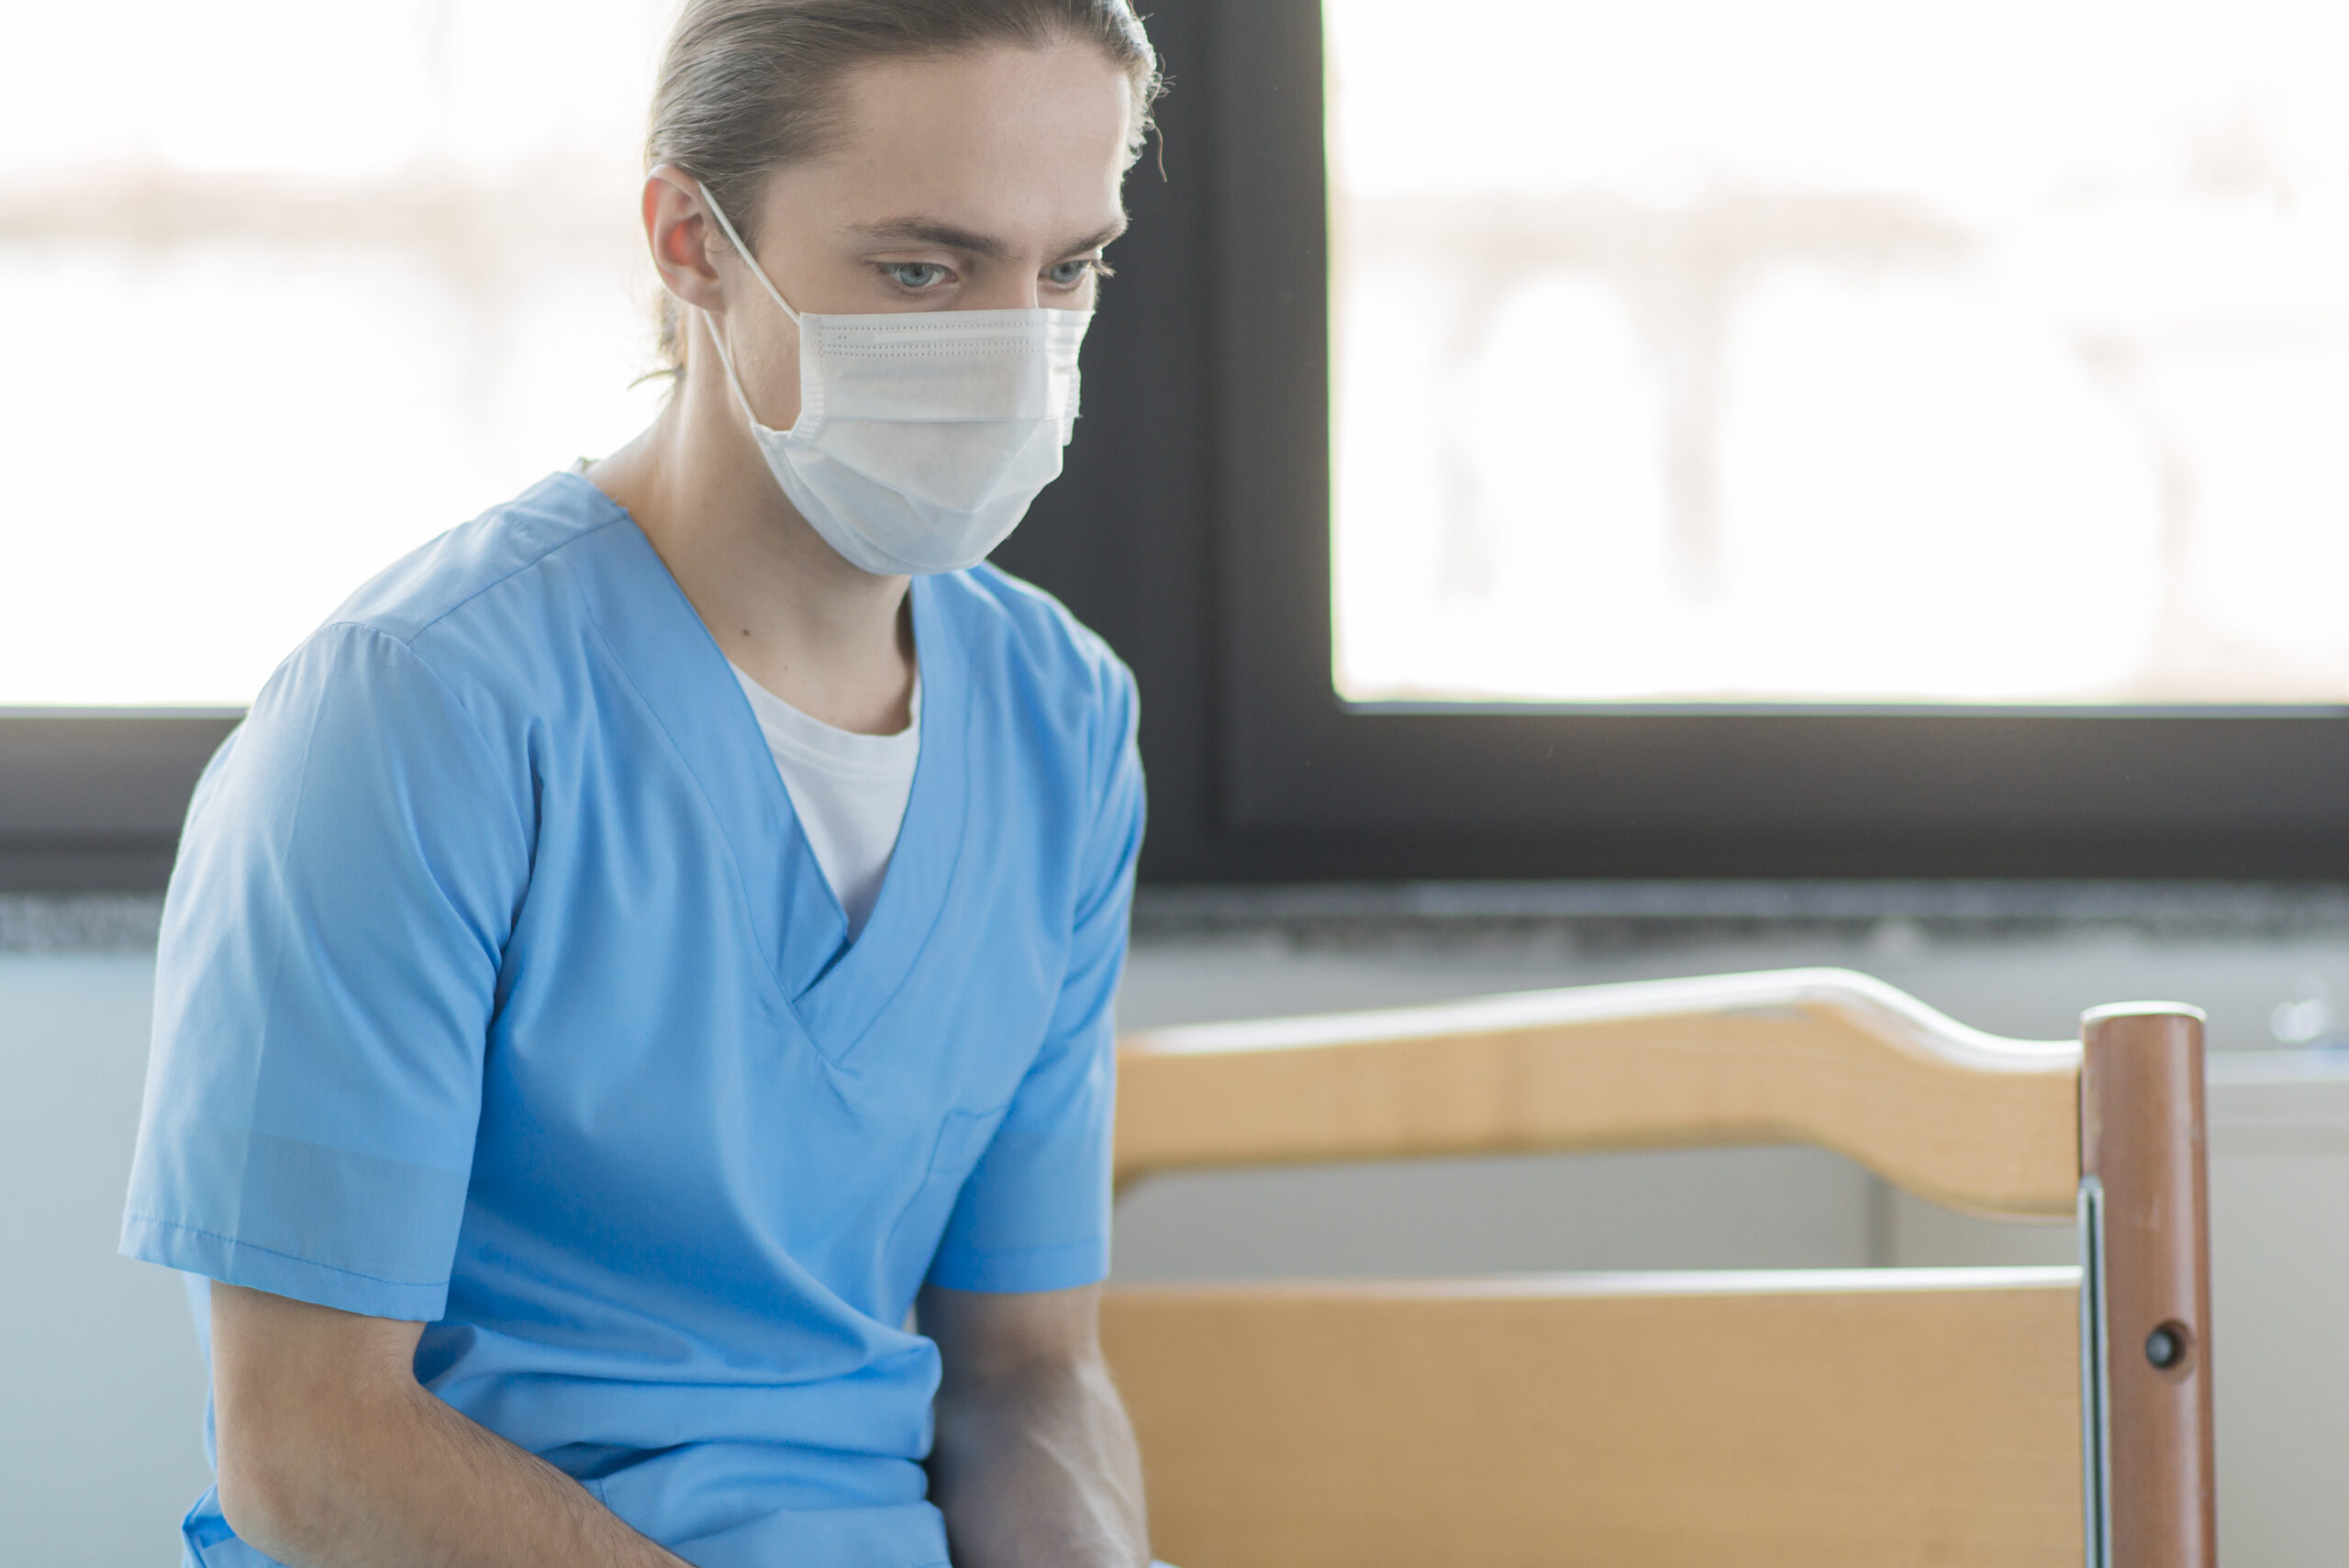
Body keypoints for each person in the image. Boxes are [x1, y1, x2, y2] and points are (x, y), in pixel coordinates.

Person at [119, 4, 1167, 1564]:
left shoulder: (1060, 721)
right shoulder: (414, 712)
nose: (1015, 349)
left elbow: (1024, 1373)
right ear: (693, 242)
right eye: (921, 271)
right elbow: (309, 1446)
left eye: (1067, 269)